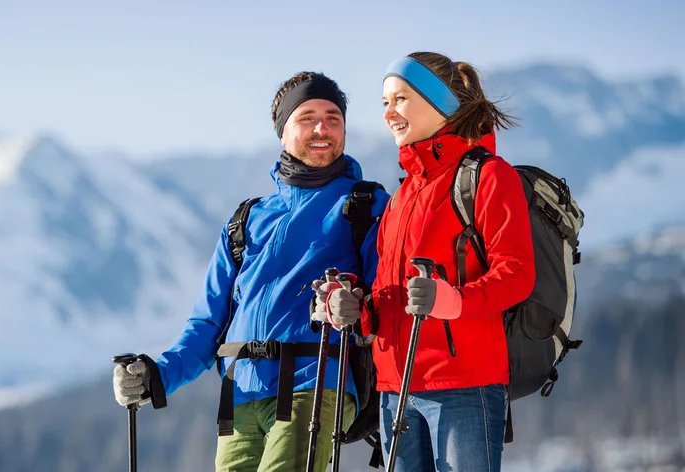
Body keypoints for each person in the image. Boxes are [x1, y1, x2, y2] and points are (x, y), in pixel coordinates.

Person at [112, 71, 389, 471]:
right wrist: (156, 375)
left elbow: (383, 299)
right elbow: (208, 323)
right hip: (240, 394)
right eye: (306, 117)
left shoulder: (365, 206)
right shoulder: (247, 220)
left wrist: (356, 305)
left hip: (315, 383)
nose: (321, 128)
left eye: (333, 117)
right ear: (283, 132)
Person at [325, 52, 536, 471]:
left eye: (400, 99)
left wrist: (452, 300)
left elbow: (517, 274)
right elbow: (390, 297)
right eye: (384, 102)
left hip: (464, 386)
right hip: (395, 389)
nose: (388, 113)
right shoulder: (402, 197)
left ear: (439, 103)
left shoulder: (489, 177)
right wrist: (352, 309)